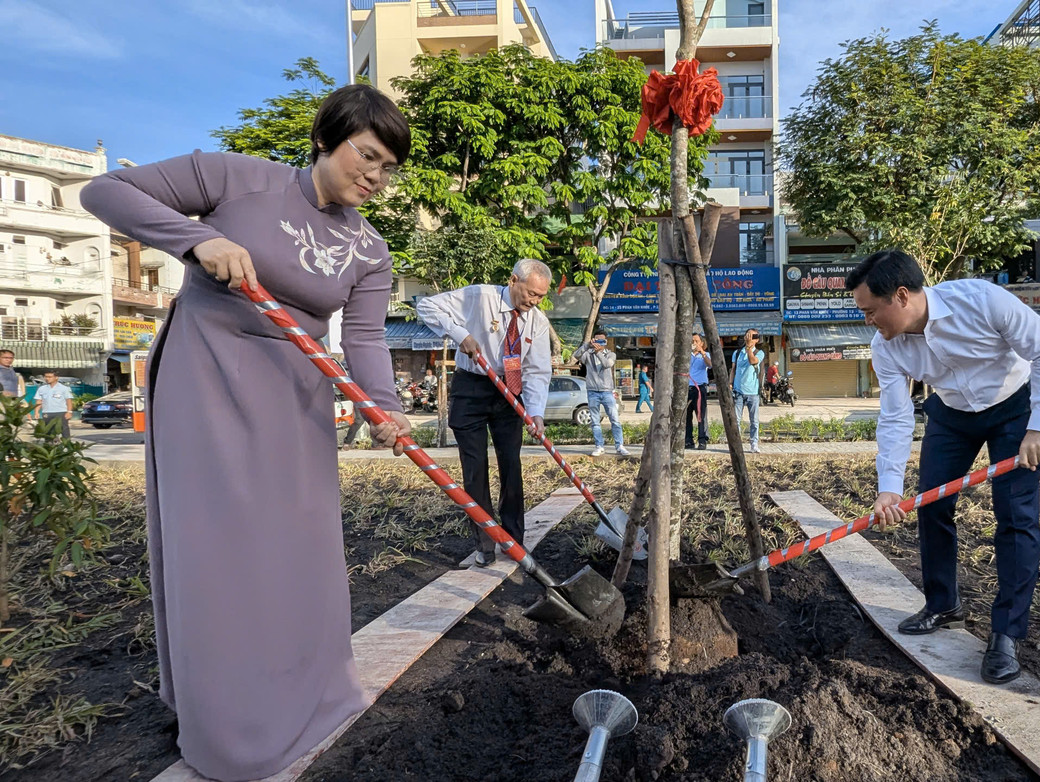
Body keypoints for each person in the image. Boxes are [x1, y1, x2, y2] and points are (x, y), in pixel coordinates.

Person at [79, 84, 411, 781]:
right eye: (368, 157)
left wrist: (384, 406)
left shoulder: (371, 249)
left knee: (300, 543)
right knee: (223, 547)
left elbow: (367, 336)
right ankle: (231, 721)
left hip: (296, 392)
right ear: (327, 137)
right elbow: (104, 194)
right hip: (207, 374)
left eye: (388, 168)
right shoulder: (234, 177)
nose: (376, 178)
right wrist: (201, 239)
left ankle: (311, 695)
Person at [853, 250, 1040, 686]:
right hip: (950, 413)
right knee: (932, 504)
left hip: (1014, 410)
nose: (869, 321)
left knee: (1015, 516)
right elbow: (894, 416)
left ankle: (1006, 633)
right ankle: (942, 605)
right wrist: (889, 487)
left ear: (900, 296)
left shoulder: (983, 301)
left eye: (871, 311)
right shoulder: (885, 348)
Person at [418, 259, 553, 566]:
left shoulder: (538, 322)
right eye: (531, 293)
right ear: (513, 280)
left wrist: (536, 413)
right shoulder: (479, 297)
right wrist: (459, 334)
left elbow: (537, 371)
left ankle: (514, 541)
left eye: (541, 297)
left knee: (511, 464)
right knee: (475, 468)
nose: (534, 301)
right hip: (472, 387)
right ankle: (484, 542)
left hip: (510, 391)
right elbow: (426, 306)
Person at [573, 329, 629, 457]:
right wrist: (587, 345)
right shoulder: (588, 354)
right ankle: (599, 446)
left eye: (601, 340)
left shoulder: (610, 354)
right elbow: (576, 356)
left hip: (607, 391)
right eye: (596, 339)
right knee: (595, 421)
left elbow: (607, 364)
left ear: (605, 341)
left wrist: (599, 353)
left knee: (614, 419)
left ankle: (619, 445)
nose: (598, 342)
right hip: (592, 391)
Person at [731, 328, 765, 453]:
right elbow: (733, 370)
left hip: (753, 392)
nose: (750, 338)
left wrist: (749, 348)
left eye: (753, 336)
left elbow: (753, 361)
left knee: (754, 421)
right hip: (738, 391)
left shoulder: (759, 352)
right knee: (736, 420)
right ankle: (737, 444)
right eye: (748, 335)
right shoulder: (737, 353)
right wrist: (730, 383)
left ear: (756, 339)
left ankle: (754, 444)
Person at [685, 334, 711, 450]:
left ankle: (702, 439)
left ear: (702, 343)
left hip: (699, 387)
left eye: (696, 341)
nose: (694, 343)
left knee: (701, 415)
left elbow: (710, 365)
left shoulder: (705, 355)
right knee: (686, 416)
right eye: (692, 341)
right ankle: (688, 440)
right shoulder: (686, 355)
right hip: (687, 387)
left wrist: (702, 352)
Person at [32, 371, 73, 438]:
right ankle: (49, 445)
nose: (47, 379)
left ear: (56, 377)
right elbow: (39, 401)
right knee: (48, 431)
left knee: (64, 429)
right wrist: (36, 412)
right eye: (46, 377)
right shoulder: (41, 389)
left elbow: (69, 401)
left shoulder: (64, 388)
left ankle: (67, 444)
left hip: (61, 412)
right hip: (47, 413)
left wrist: (69, 412)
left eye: (50, 377)